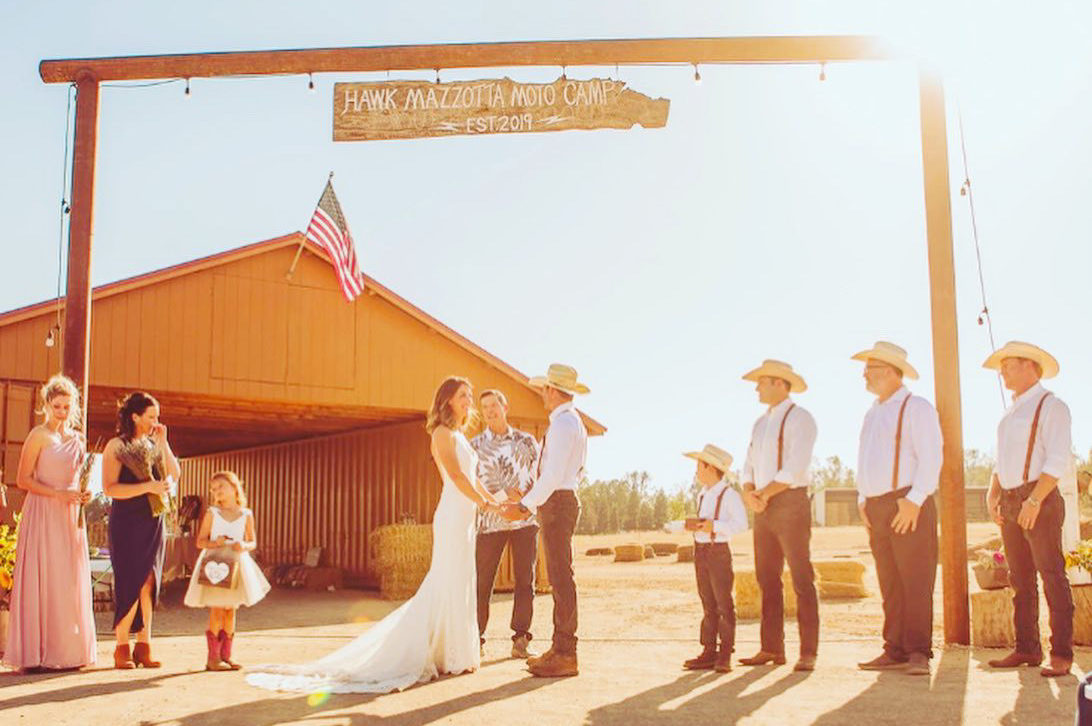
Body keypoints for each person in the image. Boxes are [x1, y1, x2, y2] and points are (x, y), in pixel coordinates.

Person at [247, 376, 502, 693]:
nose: (468, 400)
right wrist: (485, 504)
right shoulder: (441, 433)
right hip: (452, 515)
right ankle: (440, 653)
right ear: (447, 400)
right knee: (446, 580)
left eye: (469, 395)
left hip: (467, 518)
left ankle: (457, 652)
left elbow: (474, 479)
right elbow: (455, 475)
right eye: (463, 395)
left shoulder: (462, 437)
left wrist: (492, 503)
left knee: (462, 580)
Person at [982, 341, 1074, 678]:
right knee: (1020, 579)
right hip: (1009, 498)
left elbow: (1057, 459)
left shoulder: (1053, 406)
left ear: (1030, 367)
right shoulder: (1009, 413)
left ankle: (1062, 653)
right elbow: (1000, 460)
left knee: (1051, 574)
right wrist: (993, 494)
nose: (1002, 371)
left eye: (1008, 365)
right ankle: (1026, 648)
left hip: (1040, 498)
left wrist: (1034, 500)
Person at [851, 342, 942, 677]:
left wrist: (916, 499)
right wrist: (863, 498)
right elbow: (866, 459)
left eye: (869, 370)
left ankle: (918, 650)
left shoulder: (916, 407)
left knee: (915, 579)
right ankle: (895, 648)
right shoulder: (872, 412)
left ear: (889, 372)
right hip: (876, 506)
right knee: (890, 581)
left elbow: (932, 456)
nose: (864, 376)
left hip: (907, 502)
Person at [500, 363, 590, 678]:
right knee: (559, 576)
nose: (542, 395)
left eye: (543, 390)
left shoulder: (565, 425)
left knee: (561, 578)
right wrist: (528, 493)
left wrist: (524, 506)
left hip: (558, 503)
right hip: (557, 501)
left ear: (552, 391)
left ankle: (566, 653)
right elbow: (553, 474)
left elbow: (553, 476)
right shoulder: (566, 422)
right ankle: (560, 647)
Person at [3, 375, 95, 671]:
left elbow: (79, 478)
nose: (62, 412)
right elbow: (22, 479)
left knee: (66, 581)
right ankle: (36, 653)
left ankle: (67, 652)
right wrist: (57, 494)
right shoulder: (38, 436)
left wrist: (84, 494)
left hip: (69, 517)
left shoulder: (78, 439)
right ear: (46, 405)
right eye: (57, 406)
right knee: (43, 578)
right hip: (43, 512)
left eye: (67, 406)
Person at [737, 360, 820, 672]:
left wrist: (764, 493)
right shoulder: (759, 424)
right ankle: (771, 648)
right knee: (766, 577)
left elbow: (795, 466)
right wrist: (749, 492)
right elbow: (748, 465)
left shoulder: (802, 419)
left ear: (780, 384)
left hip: (790, 502)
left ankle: (808, 652)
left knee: (801, 577)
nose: (757, 388)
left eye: (762, 382)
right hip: (763, 505)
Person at [101, 391, 180, 669]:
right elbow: (109, 488)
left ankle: (144, 645)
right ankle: (122, 646)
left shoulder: (153, 443)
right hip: (126, 522)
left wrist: (164, 443)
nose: (155, 422)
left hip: (153, 520)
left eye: (157, 417)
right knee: (129, 580)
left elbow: (174, 473)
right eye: (151, 417)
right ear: (134, 416)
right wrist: (148, 486)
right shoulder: (116, 446)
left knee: (150, 579)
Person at [470, 388, 541, 660]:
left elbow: (540, 475)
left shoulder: (527, 442)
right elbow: (473, 483)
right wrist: (500, 502)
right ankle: (475, 639)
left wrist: (524, 500)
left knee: (526, 581)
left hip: (525, 520)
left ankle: (520, 640)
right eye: (484, 406)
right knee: (482, 582)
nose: (489, 410)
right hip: (490, 522)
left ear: (505, 406)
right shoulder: (475, 446)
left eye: (494, 404)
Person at [184, 470, 270, 671]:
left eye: (221, 487)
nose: (217, 492)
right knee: (217, 608)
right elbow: (200, 541)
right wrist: (216, 542)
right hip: (215, 563)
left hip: (237, 564)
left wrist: (244, 546)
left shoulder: (246, 514)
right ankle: (212, 658)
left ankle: (227, 655)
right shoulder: (212, 513)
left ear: (234, 487)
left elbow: (252, 541)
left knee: (231, 609)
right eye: (213, 489)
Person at [680, 444, 747, 674]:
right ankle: (709, 651)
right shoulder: (703, 494)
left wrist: (714, 526)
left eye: (699, 465)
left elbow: (741, 525)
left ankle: (725, 652)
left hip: (718, 552)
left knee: (723, 603)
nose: (696, 470)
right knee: (708, 602)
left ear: (709, 467)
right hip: (701, 551)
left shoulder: (729, 495)